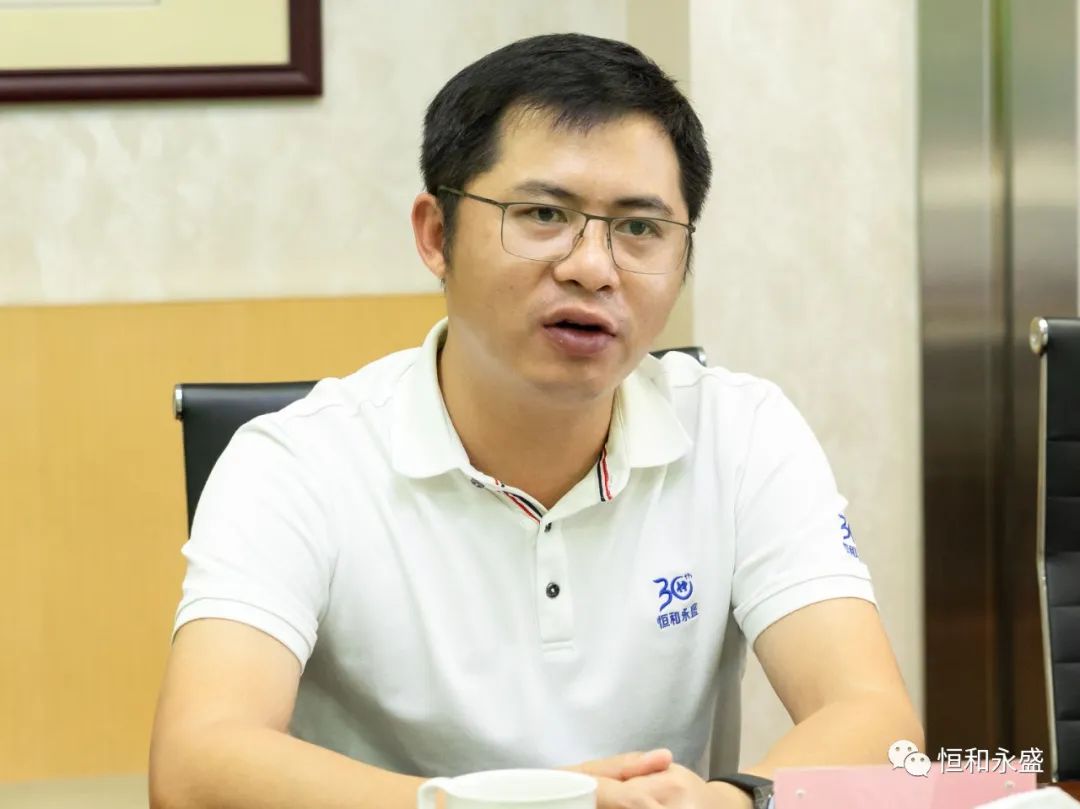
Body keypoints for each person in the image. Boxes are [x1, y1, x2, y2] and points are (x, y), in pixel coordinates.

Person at [148, 32, 922, 809]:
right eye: (544, 214)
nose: (593, 267)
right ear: (436, 234)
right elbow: (195, 766)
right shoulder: (296, 462)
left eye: (640, 228)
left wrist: (726, 804)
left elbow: (879, 727)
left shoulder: (741, 433)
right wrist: (507, 805)